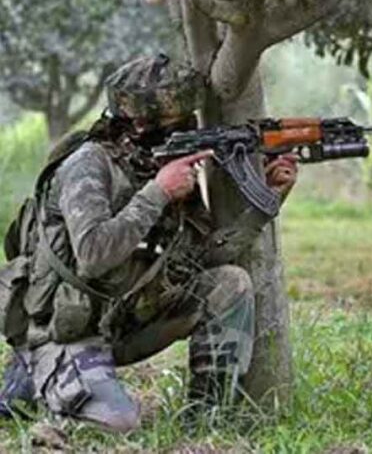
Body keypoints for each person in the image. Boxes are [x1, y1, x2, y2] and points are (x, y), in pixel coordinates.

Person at [0, 54, 298, 432]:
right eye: (176, 122)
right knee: (119, 422)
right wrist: (158, 193)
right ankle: (33, 371)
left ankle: (207, 421)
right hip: (69, 328)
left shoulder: (157, 166)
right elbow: (92, 255)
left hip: (123, 322)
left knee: (230, 283)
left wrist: (268, 199)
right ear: (140, 123)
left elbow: (202, 258)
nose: (188, 129)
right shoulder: (89, 164)